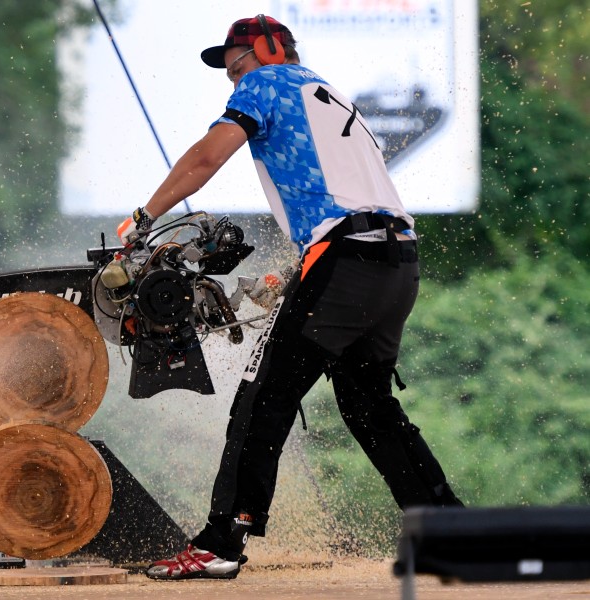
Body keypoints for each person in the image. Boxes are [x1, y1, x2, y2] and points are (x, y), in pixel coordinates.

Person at [116, 15, 463, 580]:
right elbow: (342, 201)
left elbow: (207, 158)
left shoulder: (267, 83)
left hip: (348, 259)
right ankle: (455, 534)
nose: (233, 76)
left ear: (271, 49)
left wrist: (141, 219)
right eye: (229, 69)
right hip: (396, 263)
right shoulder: (328, 95)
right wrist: (295, 272)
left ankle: (221, 542)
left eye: (239, 61)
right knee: (369, 406)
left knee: (262, 398)